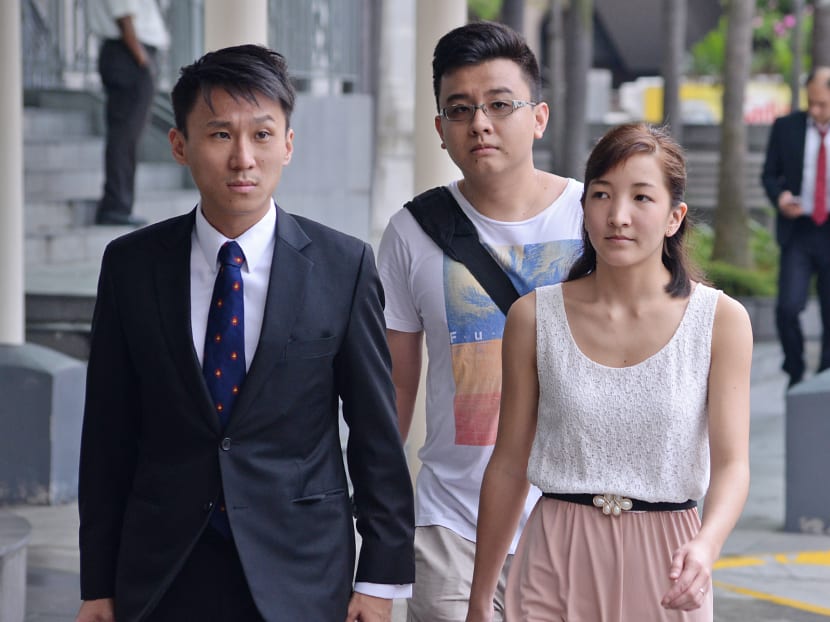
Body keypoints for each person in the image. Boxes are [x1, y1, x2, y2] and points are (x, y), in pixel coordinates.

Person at [76, 44, 415, 622]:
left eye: (261, 135)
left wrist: (380, 578)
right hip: (164, 568)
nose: (242, 159)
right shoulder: (131, 265)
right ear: (180, 144)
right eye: (219, 135)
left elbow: (375, 435)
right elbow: (108, 432)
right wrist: (97, 584)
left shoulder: (344, 265)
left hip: (301, 567)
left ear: (287, 143)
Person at [466, 123, 752, 621]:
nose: (617, 216)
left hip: (669, 561)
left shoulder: (721, 321)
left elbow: (733, 464)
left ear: (673, 217)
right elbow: (509, 463)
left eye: (642, 198)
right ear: (584, 208)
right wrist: (478, 601)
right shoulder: (534, 317)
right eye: (602, 195)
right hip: (555, 553)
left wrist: (707, 545)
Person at [377, 21, 583, 622]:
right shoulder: (411, 232)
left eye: (500, 104)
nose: (480, 123)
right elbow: (396, 385)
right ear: (440, 130)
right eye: (460, 109)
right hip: (450, 524)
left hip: (570, 519)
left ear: (538, 117)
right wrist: (379, 517)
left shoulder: (593, 215)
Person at [761, 66, 830, 388]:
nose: (815, 110)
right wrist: (780, 198)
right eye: (811, 102)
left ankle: (825, 376)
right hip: (799, 230)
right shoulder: (786, 127)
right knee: (788, 307)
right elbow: (768, 175)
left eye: (822, 104)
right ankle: (795, 368)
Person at [87, 0, 169, 226]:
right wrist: (143, 60)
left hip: (129, 54)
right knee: (125, 135)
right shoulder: (132, 48)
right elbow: (124, 16)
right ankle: (116, 206)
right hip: (129, 54)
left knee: (126, 134)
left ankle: (119, 204)